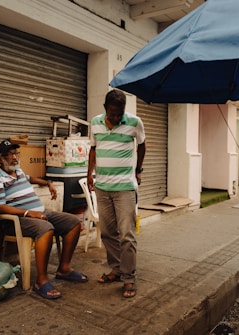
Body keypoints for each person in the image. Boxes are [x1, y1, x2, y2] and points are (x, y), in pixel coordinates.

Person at [0, 139, 88, 299]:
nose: (14, 157)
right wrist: (28, 213)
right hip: (17, 221)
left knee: (73, 222)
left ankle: (64, 268)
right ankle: (41, 281)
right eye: (10, 154)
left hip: (41, 213)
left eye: (16, 153)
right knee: (45, 228)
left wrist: (48, 183)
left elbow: (30, 178)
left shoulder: (19, 172)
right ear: (0, 158)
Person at [87, 89, 146, 298]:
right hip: (103, 187)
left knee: (127, 235)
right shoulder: (95, 122)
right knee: (107, 233)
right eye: (112, 113)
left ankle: (129, 277)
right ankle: (117, 269)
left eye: (119, 113)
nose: (115, 117)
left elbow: (142, 145)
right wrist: (89, 175)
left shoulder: (134, 122)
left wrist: (138, 170)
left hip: (125, 188)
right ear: (105, 108)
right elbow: (93, 149)